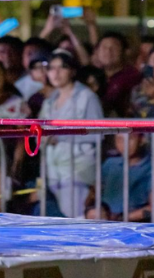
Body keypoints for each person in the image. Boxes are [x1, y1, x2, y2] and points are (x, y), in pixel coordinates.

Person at [39, 50, 104, 218]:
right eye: (52, 68)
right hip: (54, 168)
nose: (56, 72)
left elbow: (98, 133)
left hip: (78, 168)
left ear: (72, 71)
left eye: (62, 67)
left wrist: (59, 136)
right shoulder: (50, 101)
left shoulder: (87, 97)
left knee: (77, 218)